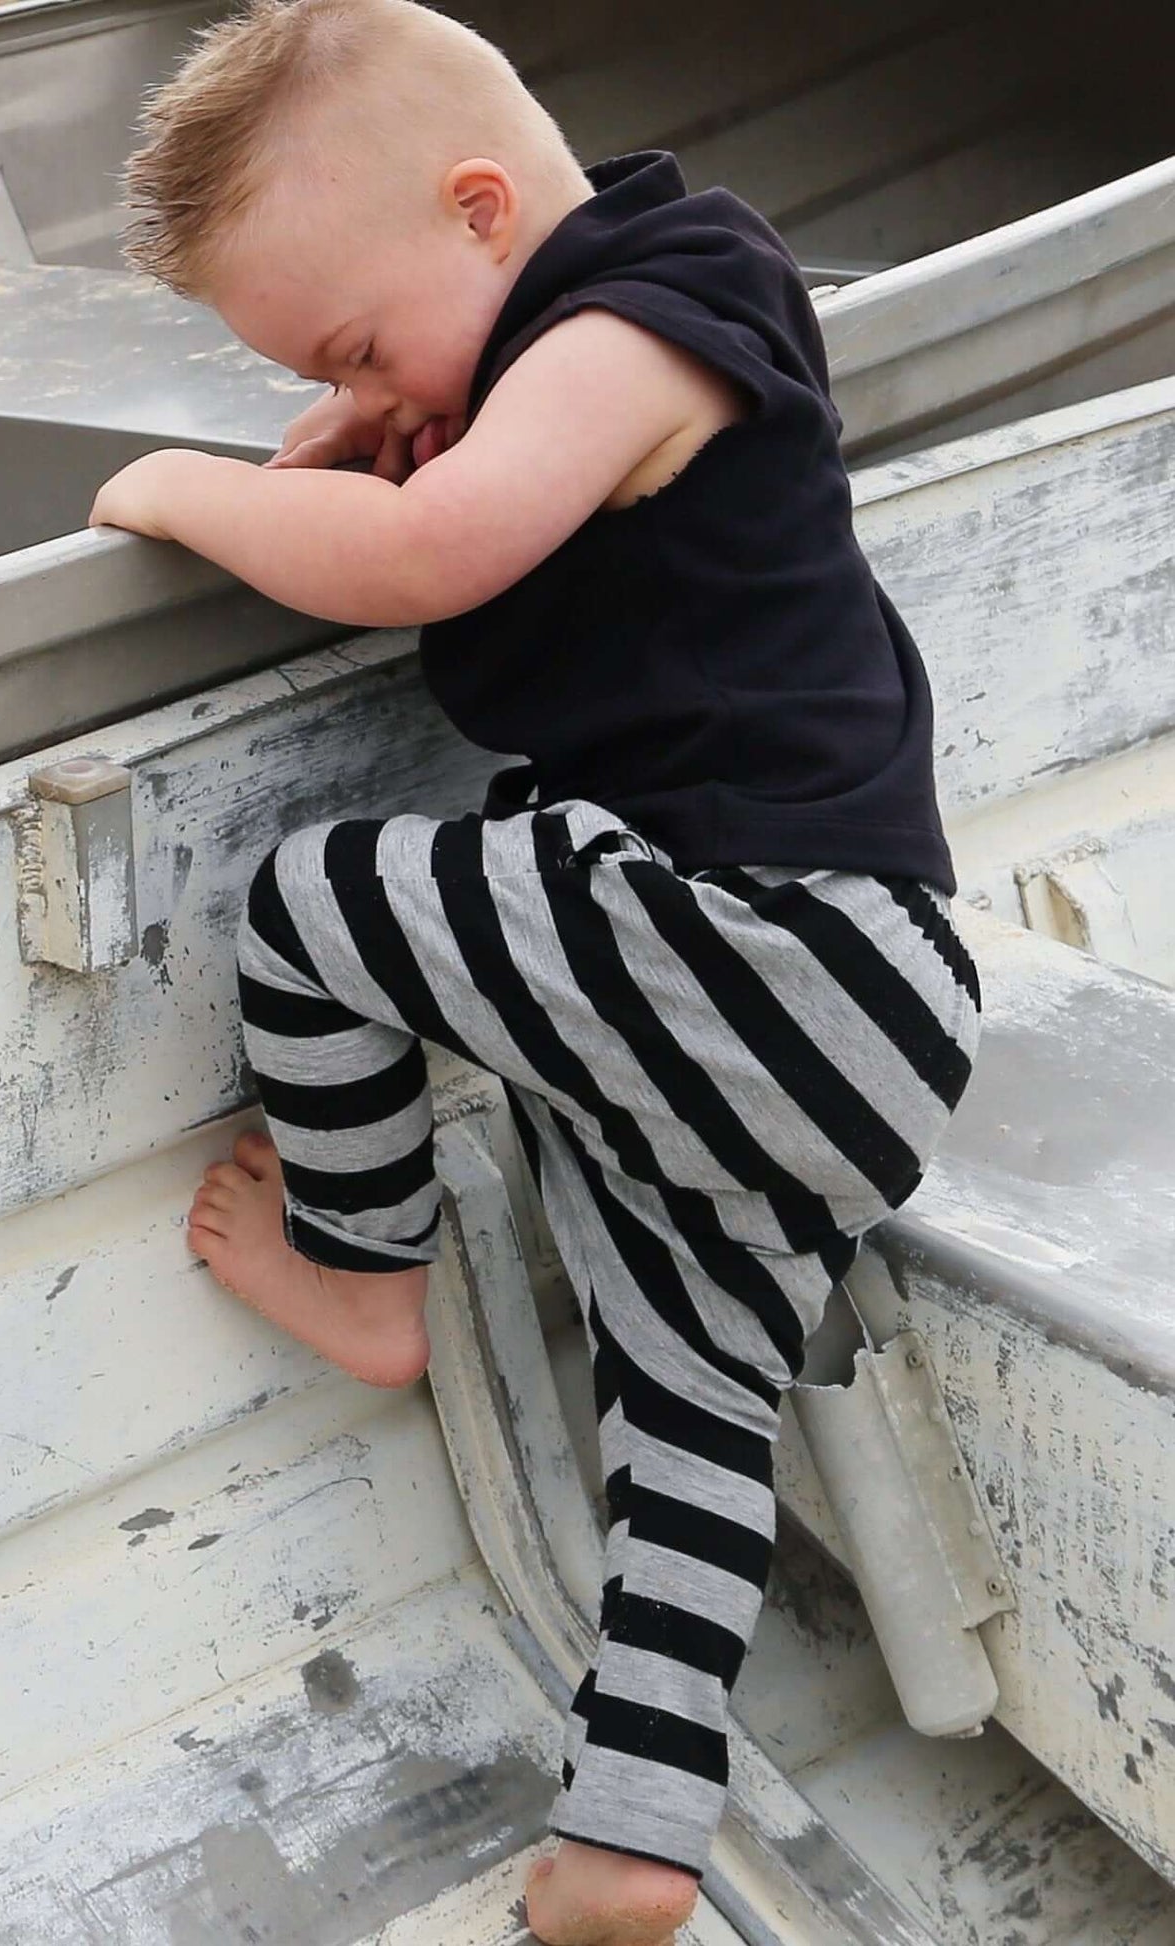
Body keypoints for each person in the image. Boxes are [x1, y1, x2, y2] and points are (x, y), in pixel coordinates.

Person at [89, 2, 982, 1940]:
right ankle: (631, 1845)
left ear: (483, 212)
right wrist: (373, 409)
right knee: (687, 1413)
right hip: (833, 1011)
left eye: (347, 348)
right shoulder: (605, 335)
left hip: (767, 932)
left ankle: (363, 1255)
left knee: (317, 901)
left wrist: (188, 487)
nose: (358, 398)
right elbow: (452, 481)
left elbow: (428, 550)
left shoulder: (632, 321)